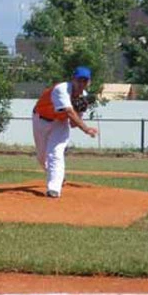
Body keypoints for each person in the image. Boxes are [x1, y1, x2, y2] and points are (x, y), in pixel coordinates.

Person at [32, 66, 99, 198]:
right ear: (72, 79)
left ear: (89, 82)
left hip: (60, 124)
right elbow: (69, 111)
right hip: (41, 119)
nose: (81, 84)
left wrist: (81, 108)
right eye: (79, 80)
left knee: (55, 152)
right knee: (42, 157)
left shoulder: (83, 97)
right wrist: (86, 129)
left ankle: (54, 188)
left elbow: (73, 124)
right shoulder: (61, 89)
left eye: (85, 81)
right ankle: (58, 176)